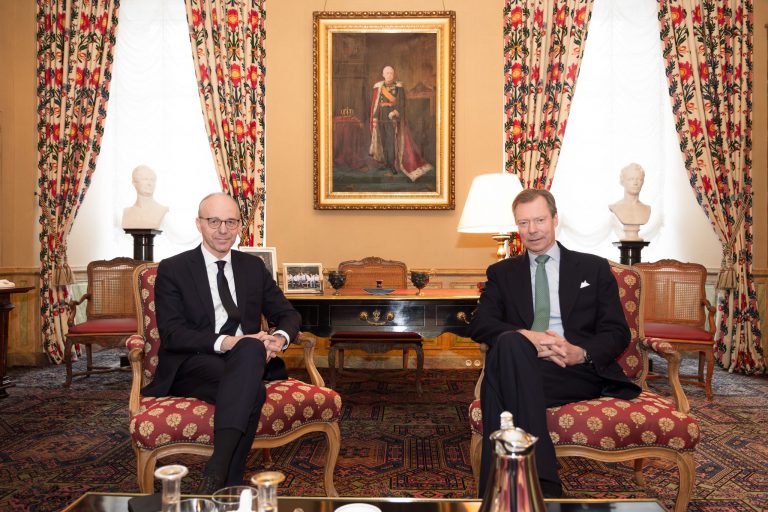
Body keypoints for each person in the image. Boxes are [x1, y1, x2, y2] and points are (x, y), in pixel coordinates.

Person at [470, 189, 641, 498]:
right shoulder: (502, 273)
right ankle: (545, 486)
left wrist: (582, 353)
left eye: (539, 220)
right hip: (523, 364)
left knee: (499, 377)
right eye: (524, 223)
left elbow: (617, 331)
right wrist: (529, 337)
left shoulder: (593, 268)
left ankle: (497, 493)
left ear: (555, 219)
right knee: (510, 347)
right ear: (516, 227)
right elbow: (481, 324)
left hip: (574, 370)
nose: (532, 230)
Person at [142, 192, 302, 493]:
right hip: (193, 362)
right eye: (213, 221)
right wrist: (229, 342)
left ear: (240, 226)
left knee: (252, 350)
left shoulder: (252, 267)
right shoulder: (174, 269)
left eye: (230, 221)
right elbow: (173, 334)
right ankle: (227, 478)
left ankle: (216, 476)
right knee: (252, 389)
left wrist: (278, 340)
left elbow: (288, 314)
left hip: (248, 361)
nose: (223, 229)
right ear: (199, 224)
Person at [369, 65, 432, 182]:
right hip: (382, 117)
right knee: (383, 141)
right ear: (383, 75)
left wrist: (395, 112)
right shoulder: (379, 87)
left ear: (394, 75)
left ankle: (392, 165)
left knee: (391, 141)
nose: (389, 75)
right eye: (387, 73)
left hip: (392, 118)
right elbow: (376, 104)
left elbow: (402, 103)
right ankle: (386, 163)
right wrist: (375, 118)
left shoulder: (398, 87)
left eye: (391, 73)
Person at [608, 163, 651, 241]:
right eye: (631, 179)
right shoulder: (616, 207)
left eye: (639, 179)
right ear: (622, 181)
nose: (635, 183)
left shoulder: (647, 209)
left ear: (643, 182)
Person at [122, 165, 169, 229]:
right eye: (145, 179)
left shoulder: (161, 210)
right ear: (134, 183)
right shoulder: (126, 213)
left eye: (152, 180)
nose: (150, 184)